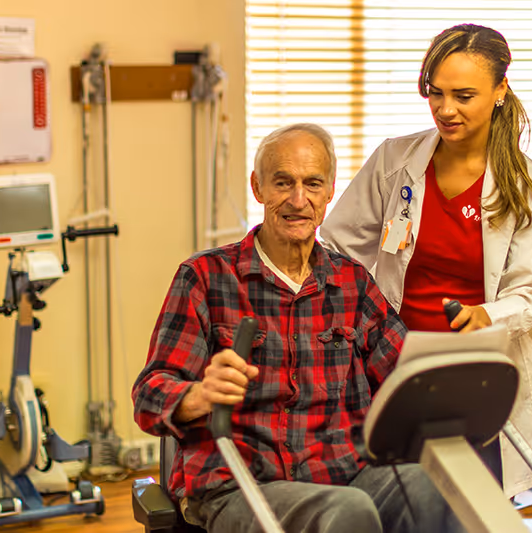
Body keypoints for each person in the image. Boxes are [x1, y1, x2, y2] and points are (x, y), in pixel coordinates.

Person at [132, 123, 464, 533]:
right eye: (282, 182)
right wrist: (198, 395)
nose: (298, 199)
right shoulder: (205, 277)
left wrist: (453, 378)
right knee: (347, 513)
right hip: (241, 484)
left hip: (346, 471)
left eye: (312, 184)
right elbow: (149, 395)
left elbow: (405, 375)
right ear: (258, 187)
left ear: (329, 193)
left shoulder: (353, 283)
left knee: (436, 487)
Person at [320, 23, 532, 498]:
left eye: (464, 95)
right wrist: (358, 319)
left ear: (500, 91)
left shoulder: (526, 185)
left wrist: (485, 315)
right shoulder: (395, 161)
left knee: (476, 503)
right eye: (436, 93)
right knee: (401, 500)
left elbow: (528, 290)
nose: (445, 110)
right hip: (394, 362)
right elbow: (338, 245)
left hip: (475, 368)